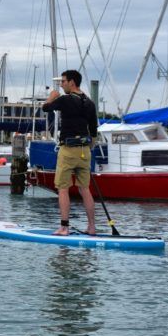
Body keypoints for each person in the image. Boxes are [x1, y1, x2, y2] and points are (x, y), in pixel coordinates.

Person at [42, 69, 99, 236]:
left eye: (63, 81)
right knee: (84, 189)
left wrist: (52, 97)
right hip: (84, 151)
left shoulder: (65, 100)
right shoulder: (89, 102)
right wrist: (88, 148)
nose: (61, 84)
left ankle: (64, 227)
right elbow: (94, 131)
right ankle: (92, 227)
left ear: (72, 82)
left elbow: (46, 108)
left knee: (63, 188)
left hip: (68, 149)